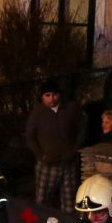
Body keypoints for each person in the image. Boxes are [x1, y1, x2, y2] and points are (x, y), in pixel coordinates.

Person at [24, 77, 85, 209]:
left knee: (70, 201)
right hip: (47, 164)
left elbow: (82, 128)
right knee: (42, 200)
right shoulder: (37, 113)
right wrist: (41, 155)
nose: (52, 99)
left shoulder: (71, 108)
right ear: (42, 97)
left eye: (55, 94)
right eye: (48, 95)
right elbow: (29, 136)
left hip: (68, 163)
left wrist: (74, 150)